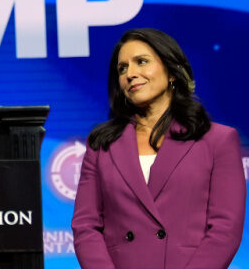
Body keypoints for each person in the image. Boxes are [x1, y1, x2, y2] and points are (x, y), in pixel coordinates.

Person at [72, 28, 245, 269]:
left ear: (172, 71)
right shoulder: (101, 145)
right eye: (122, 69)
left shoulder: (218, 140)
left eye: (141, 62)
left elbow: (225, 230)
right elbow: (86, 227)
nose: (130, 74)